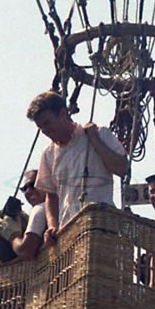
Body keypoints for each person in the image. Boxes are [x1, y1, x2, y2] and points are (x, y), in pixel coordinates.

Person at [27, 91, 128, 245]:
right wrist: (52, 225)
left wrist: (95, 140)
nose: (45, 131)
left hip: (101, 227)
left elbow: (122, 169)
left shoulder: (100, 134)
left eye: (47, 123)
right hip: (69, 234)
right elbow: (51, 195)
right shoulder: (48, 154)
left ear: (62, 114)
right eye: (41, 127)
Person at [0, 169, 48, 261]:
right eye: (24, 189)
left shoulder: (39, 209)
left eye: (33, 185)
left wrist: (13, 236)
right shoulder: (60, 208)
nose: (28, 191)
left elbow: (26, 251)